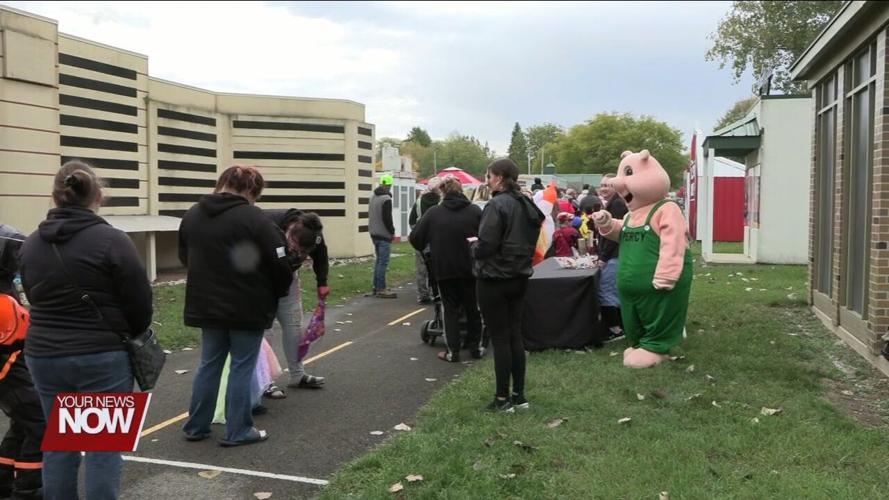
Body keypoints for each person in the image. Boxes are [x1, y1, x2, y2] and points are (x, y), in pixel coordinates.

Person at [19, 160, 152, 499]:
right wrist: (129, 333)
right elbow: (139, 303)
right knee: (101, 449)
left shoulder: (31, 244)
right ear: (98, 196)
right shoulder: (112, 240)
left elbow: (32, 295)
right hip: (101, 356)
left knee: (60, 443)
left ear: (56, 196)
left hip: (45, 354)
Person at [180, 165, 292, 447]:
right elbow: (280, 262)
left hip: (206, 303)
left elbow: (185, 256)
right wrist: (276, 291)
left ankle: (196, 425)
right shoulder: (254, 218)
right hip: (247, 304)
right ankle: (239, 429)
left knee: (209, 364)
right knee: (242, 366)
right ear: (250, 191)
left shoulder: (193, 215)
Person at [471, 159, 544, 412]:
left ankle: (502, 399)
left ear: (499, 178)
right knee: (514, 335)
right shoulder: (526, 204)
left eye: (489, 176)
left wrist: (473, 247)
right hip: (519, 276)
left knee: (501, 338)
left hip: (494, 278)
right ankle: (519, 395)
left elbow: (487, 245)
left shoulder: (496, 205)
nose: (487, 180)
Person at [409, 176, 484, 363]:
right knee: (473, 307)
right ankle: (476, 347)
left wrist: (430, 246)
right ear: (462, 191)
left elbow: (415, 238)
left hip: (444, 268)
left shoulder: (434, 213)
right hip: (470, 267)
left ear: (442, 192)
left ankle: (453, 351)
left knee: (449, 309)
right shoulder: (475, 211)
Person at [261, 209, 330, 397]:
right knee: (265, 331)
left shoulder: (314, 235)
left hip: (289, 279)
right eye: (296, 247)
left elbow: (321, 257)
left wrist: (322, 282)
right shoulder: (268, 224)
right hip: (263, 280)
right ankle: (264, 381)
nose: (298, 254)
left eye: (304, 252)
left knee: (294, 326)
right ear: (290, 230)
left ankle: (297, 374)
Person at [0, 223, 43, 500]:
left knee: (22, 423)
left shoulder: (6, 287)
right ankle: (28, 488)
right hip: (10, 370)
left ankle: (3, 481)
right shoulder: (3, 296)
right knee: (41, 424)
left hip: (13, 368)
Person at [593, 173, 629, 347]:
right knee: (615, 292)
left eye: (608, 185)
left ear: (616, 186)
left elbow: (613, 236)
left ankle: (615, 329)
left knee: (606, 292)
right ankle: (621, 326)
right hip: (617, 255)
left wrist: (603, 257)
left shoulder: (616, 204)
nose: (604, 188)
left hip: (614, 256)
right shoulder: (614, 203)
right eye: (602, 185)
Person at [408, 178, 442, 305]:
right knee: (437, 267)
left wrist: (417, 231)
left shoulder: (419, 202)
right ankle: (436, 292)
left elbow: (411, 221)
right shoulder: (441, 202)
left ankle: (423, 294)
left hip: (421, 239)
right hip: (437, 239)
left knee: (421, 268)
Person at [368, 174, 397, 298]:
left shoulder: (373, 197)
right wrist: (392, 231)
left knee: (379, 261)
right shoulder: (386, 199)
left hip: (373, 233)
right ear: (388, 185)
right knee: (383, 262)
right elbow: (387, 218)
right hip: (383, 234)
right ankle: (381, 288)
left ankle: (376, 287)